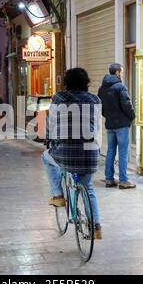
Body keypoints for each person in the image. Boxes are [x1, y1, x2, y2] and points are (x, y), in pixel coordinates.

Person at [41, 68, 102, 239]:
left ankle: (58, 195)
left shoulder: (59, 98)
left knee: (46, 157)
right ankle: (96, 227)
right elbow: (96, 127)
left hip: (65, 153)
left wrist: (47, 137)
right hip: (90, 154)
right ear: (86, 83)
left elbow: (50, 124)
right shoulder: (95, 100)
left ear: (66, 83)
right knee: (88, 187)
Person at [98, 63, 136, 189]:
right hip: (122, 125)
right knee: (123, 152)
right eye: (122, 71)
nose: (123, 73)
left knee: (110, 151)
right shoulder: (120, 87)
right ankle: (123, 180)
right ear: (117, 73)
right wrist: (131, 116)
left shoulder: (102, 89)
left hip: (110, 124)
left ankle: (109, 179)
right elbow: (127, 105)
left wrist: (108, 116)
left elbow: (100, 108)